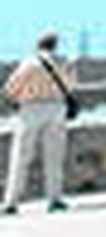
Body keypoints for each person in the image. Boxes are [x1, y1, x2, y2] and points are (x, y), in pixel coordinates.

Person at [3, 33, 76, 215]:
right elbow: (71, 86)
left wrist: (19, 100)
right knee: (54, 157)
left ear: (38, 45)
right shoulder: (65, 62)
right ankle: (55, 199)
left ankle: (11, 202)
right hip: (57, 108)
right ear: (55, 45)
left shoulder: (28, 63)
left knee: (21, 157)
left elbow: (9, 89)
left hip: (30, 109)